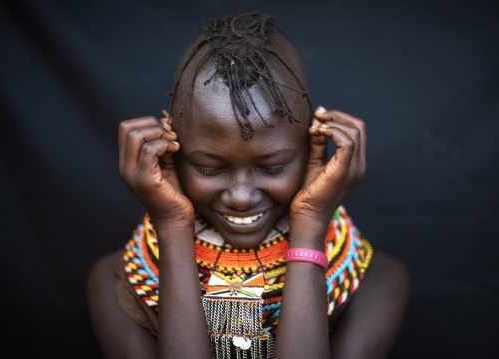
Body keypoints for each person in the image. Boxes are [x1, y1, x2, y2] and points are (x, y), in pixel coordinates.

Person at [86, 12, 410, 359]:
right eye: (208, 168)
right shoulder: (115, 281)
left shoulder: (378, 281)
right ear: (170, 149)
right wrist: (171, 226)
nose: (241, 197)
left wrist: (312, 221)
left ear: (314, 143)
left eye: (273, 166)